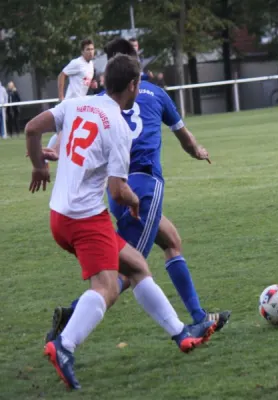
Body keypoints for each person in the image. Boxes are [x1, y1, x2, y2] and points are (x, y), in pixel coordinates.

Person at [27, 53, 216, 390]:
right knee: (107, 287)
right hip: (86, 220)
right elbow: (117, 190)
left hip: (59, 215)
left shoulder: (78, 104)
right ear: (133, 85)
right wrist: (132, 202)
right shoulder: (118, 126)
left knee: (137, 266)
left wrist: (39, 164)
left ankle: (181, 334)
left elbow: (31, 128)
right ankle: (64, 345)